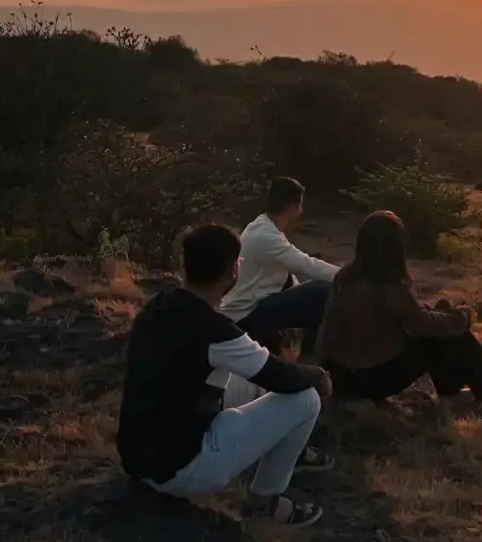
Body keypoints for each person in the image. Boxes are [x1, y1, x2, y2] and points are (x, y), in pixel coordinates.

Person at [117, 224, 332, 527]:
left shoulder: (157, 306)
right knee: (306, 398)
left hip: (139, 458)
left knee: (253, 378)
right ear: (233, 271)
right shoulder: (214, 331)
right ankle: (264, 501)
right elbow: (280, 376)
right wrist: (318, 374)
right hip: (180, 468)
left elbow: (265, 370)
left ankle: (287, 450)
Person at [317, 210, 482, 417]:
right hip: (366, 379)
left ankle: (452, 395)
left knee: (440, 325)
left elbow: (411, 315)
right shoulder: (386, 284)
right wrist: (461, 318)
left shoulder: (346, 275)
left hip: (338, 375)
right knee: (444, 331)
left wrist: (443, 315)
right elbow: (424, 324)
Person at [221, 177, 340, 353]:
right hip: (246, 315)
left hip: (251, 308)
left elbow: (291, 274)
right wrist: (350, 275)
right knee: (322, 290)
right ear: (293, 207)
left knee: (310, 291)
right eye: (300, 204)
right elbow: (307, 265)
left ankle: (306, 344)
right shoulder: (266, 236)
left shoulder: (262, 226)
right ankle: (321, 349)